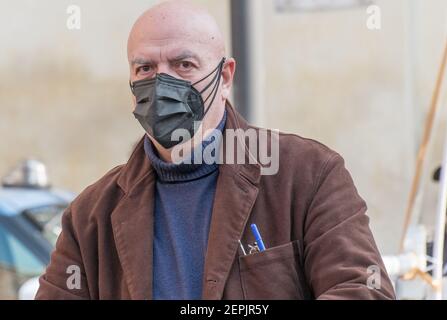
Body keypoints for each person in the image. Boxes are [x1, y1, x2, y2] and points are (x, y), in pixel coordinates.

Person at [36, 0, 395, 300]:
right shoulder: (91, 215)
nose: (163, 82)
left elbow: (363, 290)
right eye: (145, 67)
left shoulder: (306, 175)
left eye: (183, 65)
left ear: (225, 77)